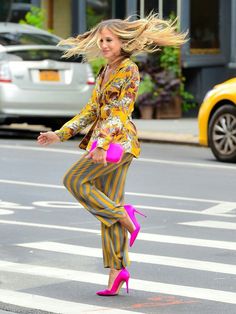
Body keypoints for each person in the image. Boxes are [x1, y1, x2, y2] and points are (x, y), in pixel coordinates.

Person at [37, 13, 186, 296]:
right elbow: (91, 111)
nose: (104, 45)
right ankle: (118, 270)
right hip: (105, 145)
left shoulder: (129, 70)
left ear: (122, 42)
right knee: (109, 205)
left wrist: (103, 144)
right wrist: (60, 133)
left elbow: (121, 111)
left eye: (109, 40)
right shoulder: (106, 70)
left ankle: (124, 216)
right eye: (101, 40)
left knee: (74, 180)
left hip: (118, 146)